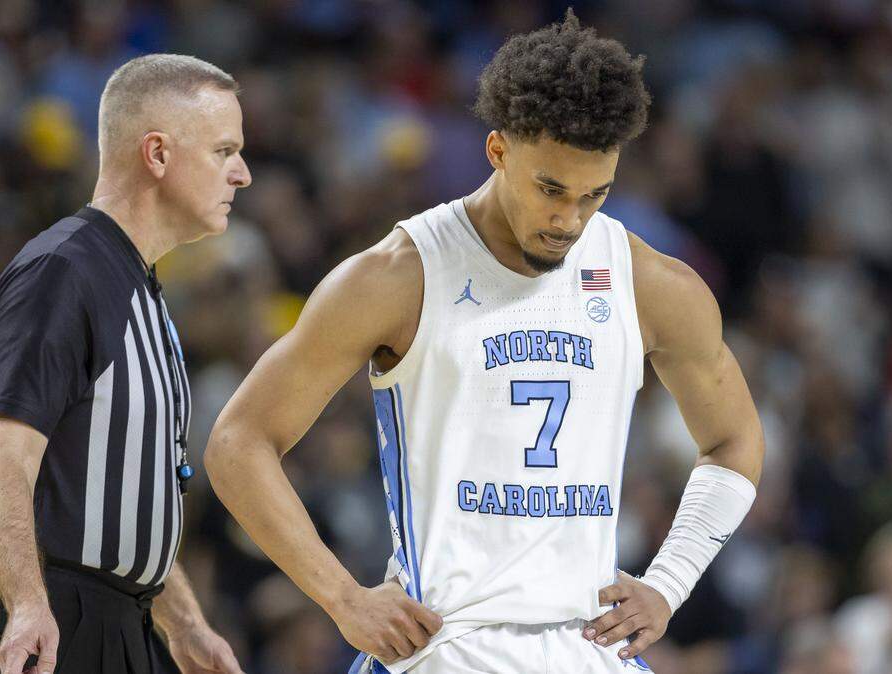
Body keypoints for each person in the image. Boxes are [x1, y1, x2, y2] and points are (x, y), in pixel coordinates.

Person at [205, 11, 763, 673]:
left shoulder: (649, 282)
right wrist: (343, 598)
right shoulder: (399, 275)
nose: (569, 220)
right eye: (550, 190)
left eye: (594, 195)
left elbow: (734, 440)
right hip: (442, 643)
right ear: (498, 151)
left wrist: (669, 582)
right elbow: (238, 441)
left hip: (589, 647)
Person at [0, 54, 251, 674]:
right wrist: (28, 605)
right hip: (44, 618)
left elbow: (131, 495)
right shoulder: (63, 271)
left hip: (119, 619)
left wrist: (185, 623)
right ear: (158, 154)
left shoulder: (140, 287)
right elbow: (2, 461)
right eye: (224, 151)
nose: (242, 174)